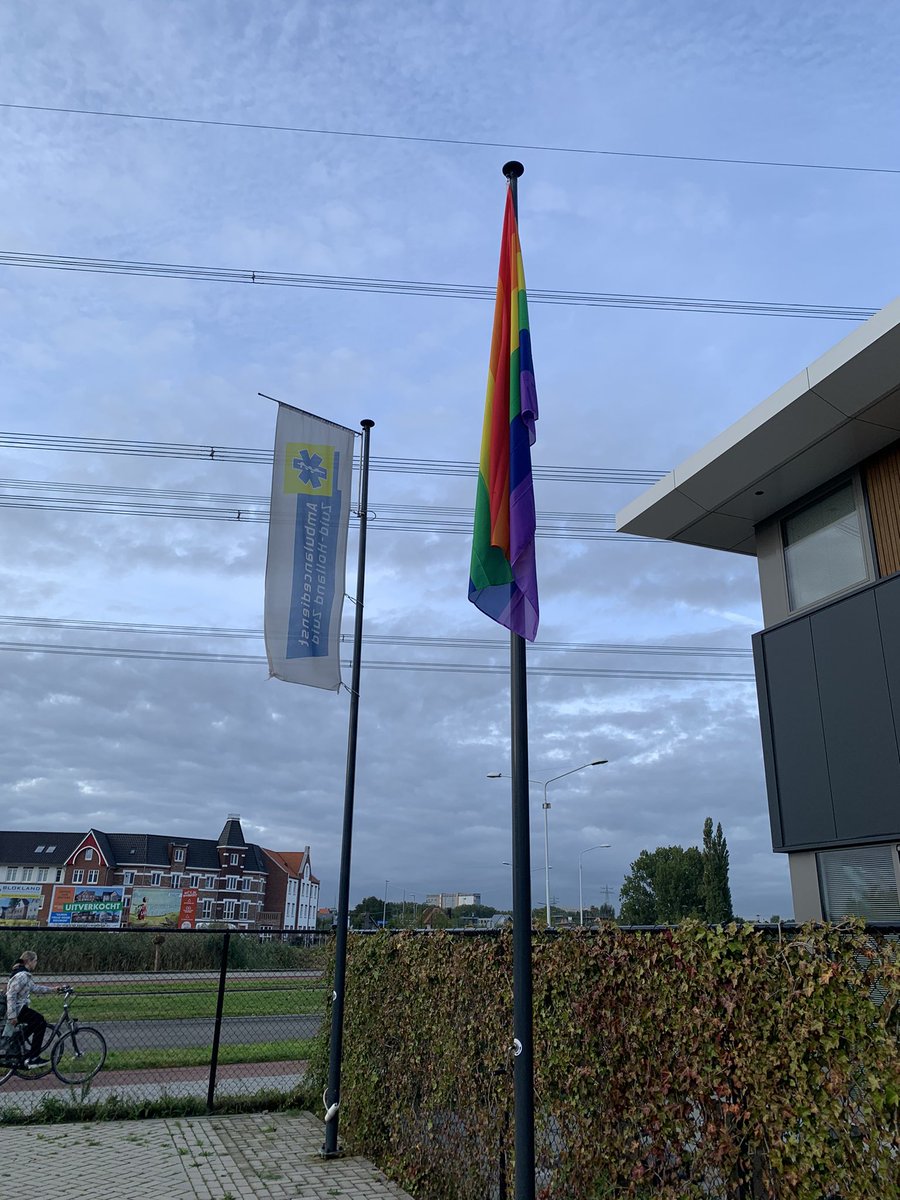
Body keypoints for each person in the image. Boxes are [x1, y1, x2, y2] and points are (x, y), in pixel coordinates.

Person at [5, 950, 64, 1067]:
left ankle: (17, 1043)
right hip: (18, 1009)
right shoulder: (22, 975)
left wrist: (52, 989)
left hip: (20, 1008)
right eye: (35, 961)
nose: (36, 963)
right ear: (29, 961)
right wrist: (12, 1015)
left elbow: (34, 988)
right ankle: (33, 1057)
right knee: (40, 1022)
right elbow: (11, 994)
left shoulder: (23, 974)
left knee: (37, 1022)